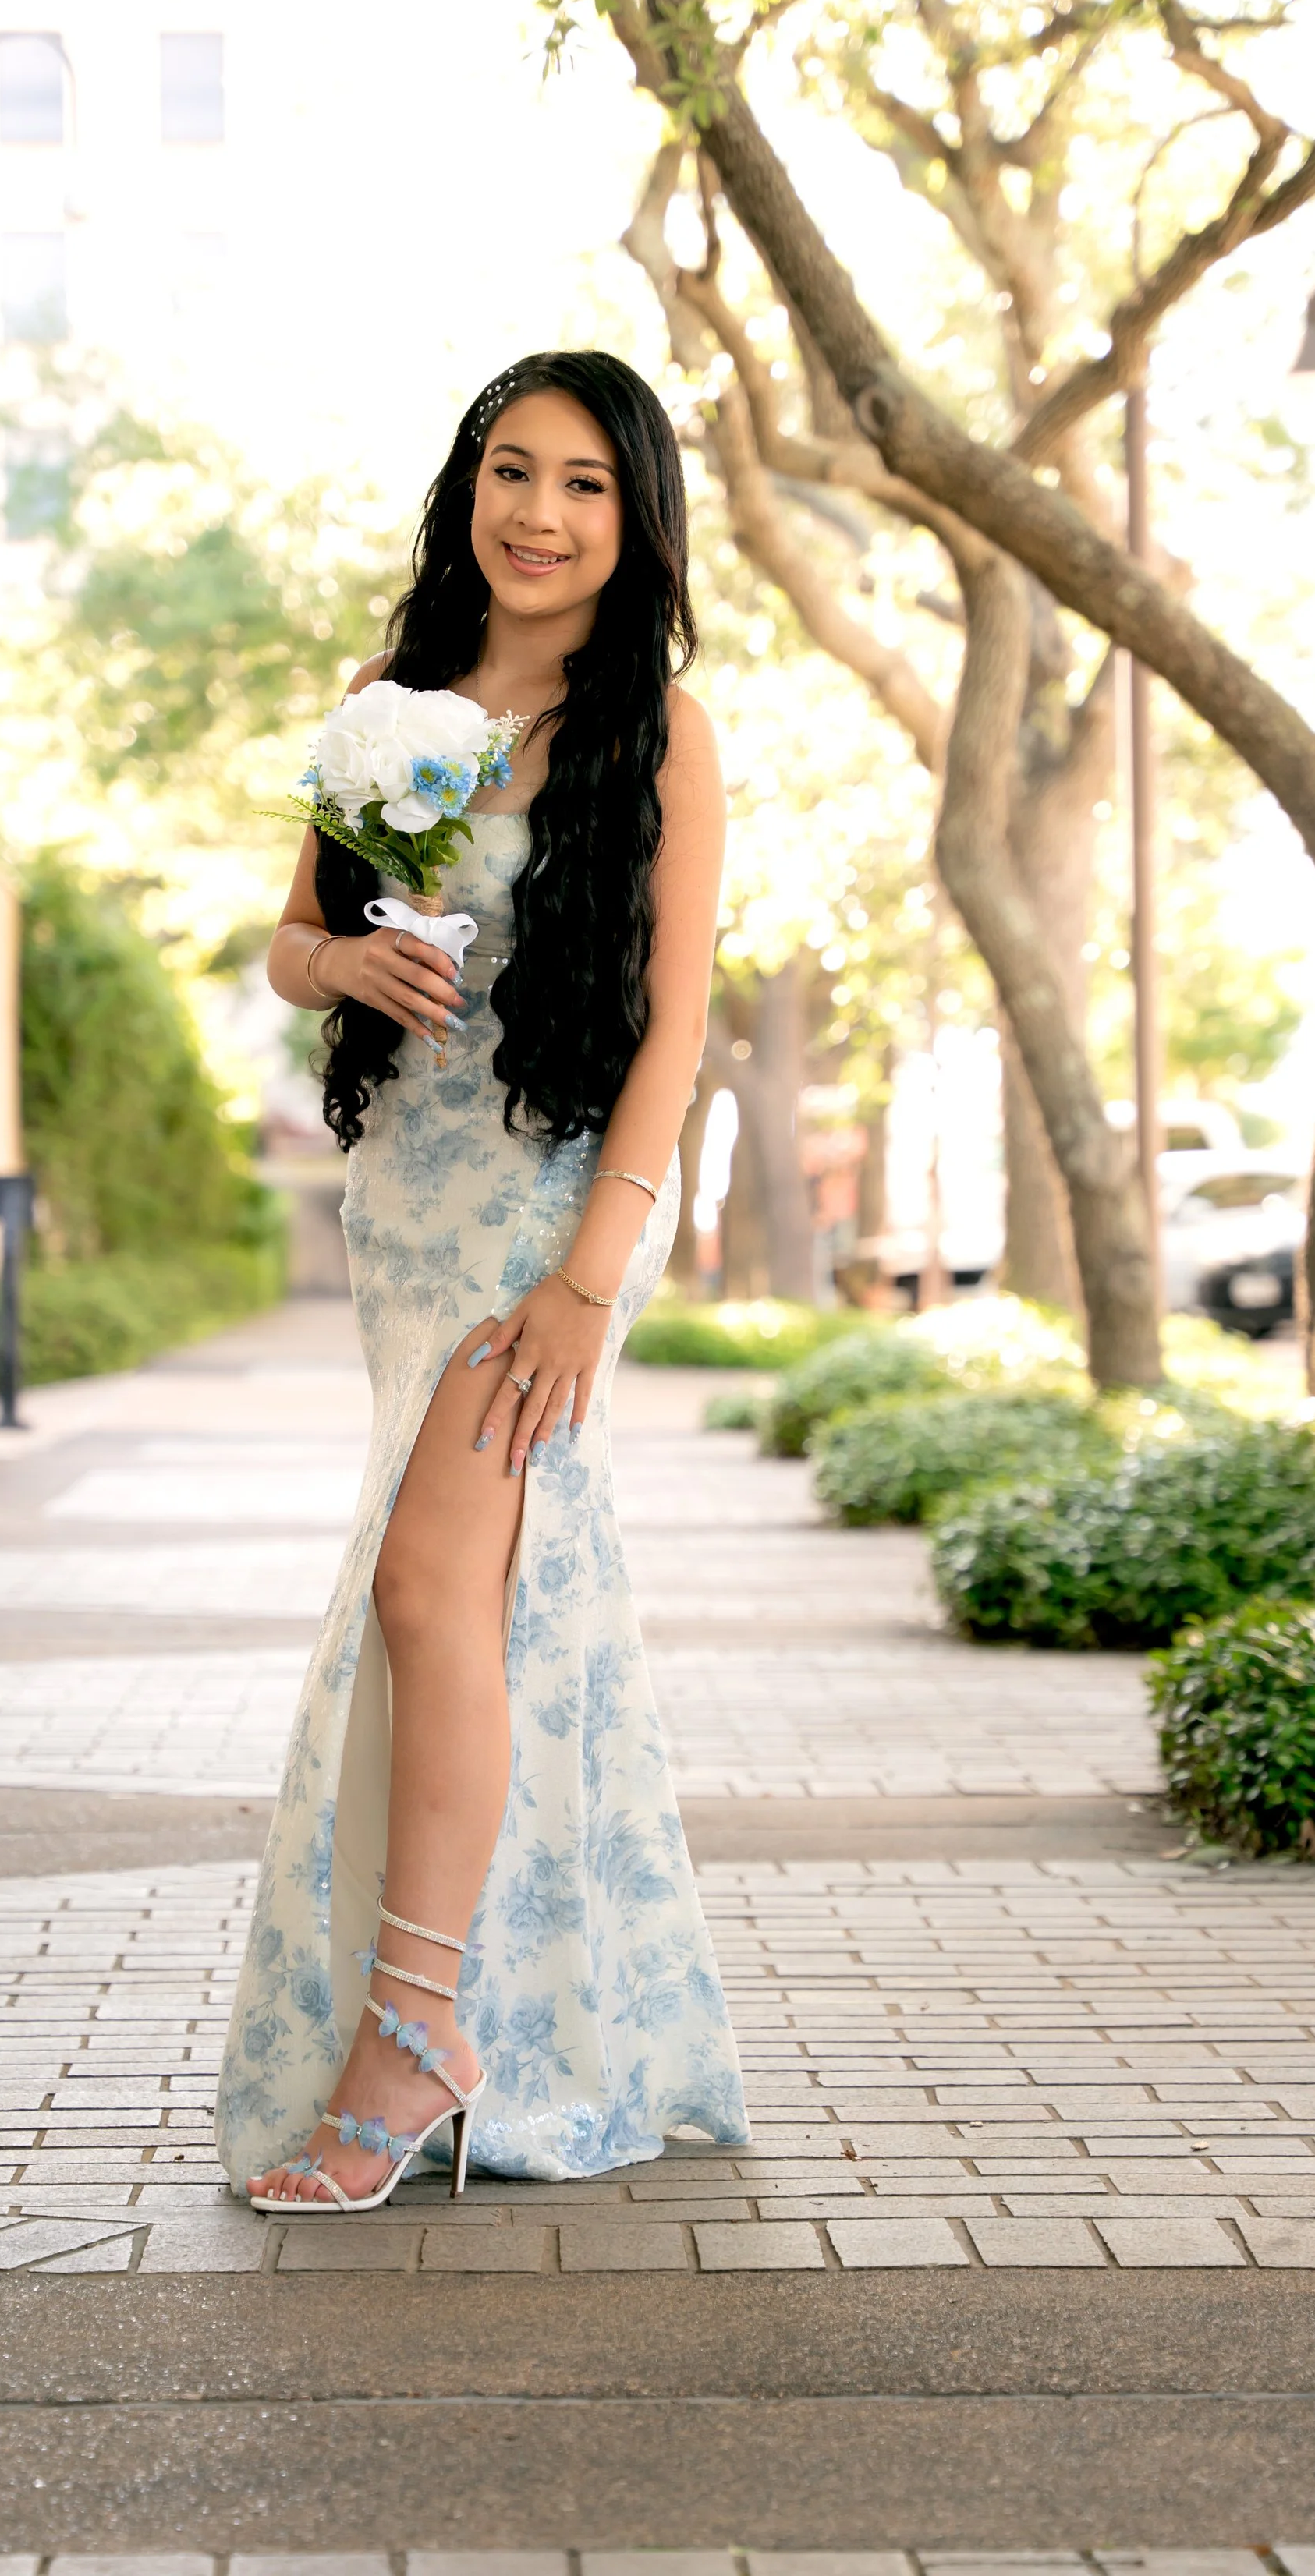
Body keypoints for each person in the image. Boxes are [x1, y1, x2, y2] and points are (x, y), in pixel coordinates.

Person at [218, 350, 749, 2212]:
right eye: (510, 473)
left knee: (427, 1585)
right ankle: (483, 2005)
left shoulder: (655, 732)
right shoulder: (389, 712)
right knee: (466, 1611)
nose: (537, 514)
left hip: (543, 1215)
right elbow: (294, 940)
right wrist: (336, 972)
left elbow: (674, 1032)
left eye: (584, 484)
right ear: (466, 493)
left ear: (634, 517)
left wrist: (590, 1282)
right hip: (404, 1208)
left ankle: (417, 2032)